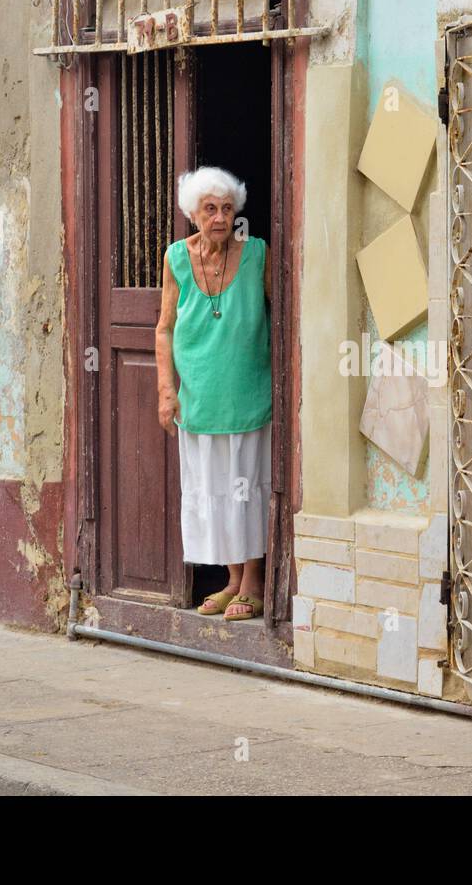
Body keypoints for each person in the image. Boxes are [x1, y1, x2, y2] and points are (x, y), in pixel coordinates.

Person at [155, 167, 272, 621]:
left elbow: (280, 313)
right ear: (193, 213)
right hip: (199, 395)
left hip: (246, 393)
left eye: (226, 208)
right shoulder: (176, 259)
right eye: (210, 209)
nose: (220, 217)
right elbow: (164, 329)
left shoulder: (256, 254)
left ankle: (254, 583)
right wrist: (167, 390)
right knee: (214, 488)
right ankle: (231, 580)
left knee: (247, 487)